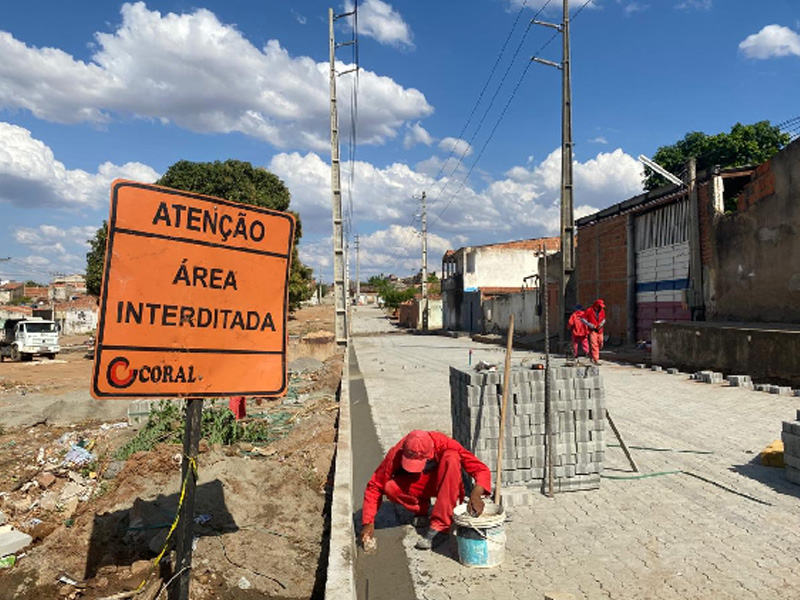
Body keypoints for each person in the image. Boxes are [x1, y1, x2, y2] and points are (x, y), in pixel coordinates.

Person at [361, 430, 491, 550]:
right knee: (390, 487)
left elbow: (480, 469)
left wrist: (476, 495)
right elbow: (375, 485)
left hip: (444, 483)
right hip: (418, 484)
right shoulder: (396, 452)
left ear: (430, 452)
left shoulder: (445, 443)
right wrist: (368, 522)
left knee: (451, 458)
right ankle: (423, 510)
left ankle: (441, 526)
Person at [583, 298, 606, 364]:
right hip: (592, 330)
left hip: (600, 330)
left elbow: (604, 319)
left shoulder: (602, 311)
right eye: (600, 306)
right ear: (596, 305)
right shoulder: (589, 310)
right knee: (594, 344)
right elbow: (582, 318)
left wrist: (602, 324)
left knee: (600, 342)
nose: (601, 307)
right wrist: (589, 324)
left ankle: (592, 354)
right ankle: (596, 359)